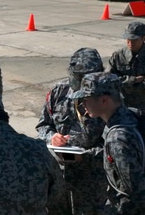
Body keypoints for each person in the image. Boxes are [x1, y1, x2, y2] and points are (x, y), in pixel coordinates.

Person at [36, 48, 108, 215]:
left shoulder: (108, 98)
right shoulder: (58, 92)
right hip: (59, 176)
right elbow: (43, 125)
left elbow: (114, 141)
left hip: (91, 179)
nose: (82, 83)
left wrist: (87, 155)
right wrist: (52, 137)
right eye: (78, 77)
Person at [69, 72, 145, 215]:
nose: (82, 104)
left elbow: (135, 190)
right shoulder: (132, 115)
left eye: (86, 99)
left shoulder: (117, 139)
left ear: (104, 100)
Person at [107, 21, 145, 111]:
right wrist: (132, 80)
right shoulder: (118, 56)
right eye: (128, 39)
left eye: (134, 40)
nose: (130, 43)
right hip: (122, 105)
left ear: (143, 38)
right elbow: (108, 79)